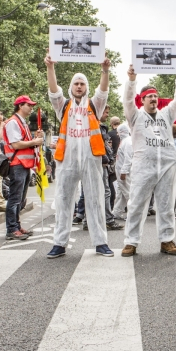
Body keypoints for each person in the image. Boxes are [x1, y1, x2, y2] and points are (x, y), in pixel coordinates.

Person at [44, 50, 114, 258]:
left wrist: (104, 70)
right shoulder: (63, 105)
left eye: (82, 83)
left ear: (86, 87)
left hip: (92, 160)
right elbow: (53, 91)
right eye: (76, 83)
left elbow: (103, 91)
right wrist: (50, 67)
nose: (79, 86)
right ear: (71, 87)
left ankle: (100, 242)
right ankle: (59, 243)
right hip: (67, 160)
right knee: (64, 199)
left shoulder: (95, 105)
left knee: (95, 200)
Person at [121, 64, 176, 257]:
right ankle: (131, 242)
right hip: (143, 166)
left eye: (155, 96)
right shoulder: (135, 116)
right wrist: (132, 81)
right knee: (136, 204)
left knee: (166, 204)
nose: (153, 98)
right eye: (149, 96)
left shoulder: (166, 114)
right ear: (142, 100)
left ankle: (167, 240)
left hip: (167, 165)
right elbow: (127, 100)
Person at [3, 96, 43, 240]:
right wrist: (34, 141)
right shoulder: (13, 122)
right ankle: (11, 229)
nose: (31, 108)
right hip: (17, 164)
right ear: (20, 106)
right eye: (28, 105)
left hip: (23, 164)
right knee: (15, 198)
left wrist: (34, 139)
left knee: (20, 198)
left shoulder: (22, 122)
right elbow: (16, 145)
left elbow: (24, 142)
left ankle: (16, 226)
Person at [112, 123, 132, 220]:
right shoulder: (124, 141)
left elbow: (128, 159)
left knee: (129, 193)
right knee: (121, 194)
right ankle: (117, 212)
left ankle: (133, 214)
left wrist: (124, 172)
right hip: (121, 172)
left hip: (125, 173)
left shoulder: (128, 142)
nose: (117, 134)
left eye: (118, 132)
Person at [107, 115, 121, 208]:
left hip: (113, 160)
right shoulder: (125, 133)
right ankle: (126, 206)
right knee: (123, 184)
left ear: (112, 124)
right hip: (124, 159)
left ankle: (111, 204)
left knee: (110, 182)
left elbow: (108, 148)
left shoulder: (110, 134)